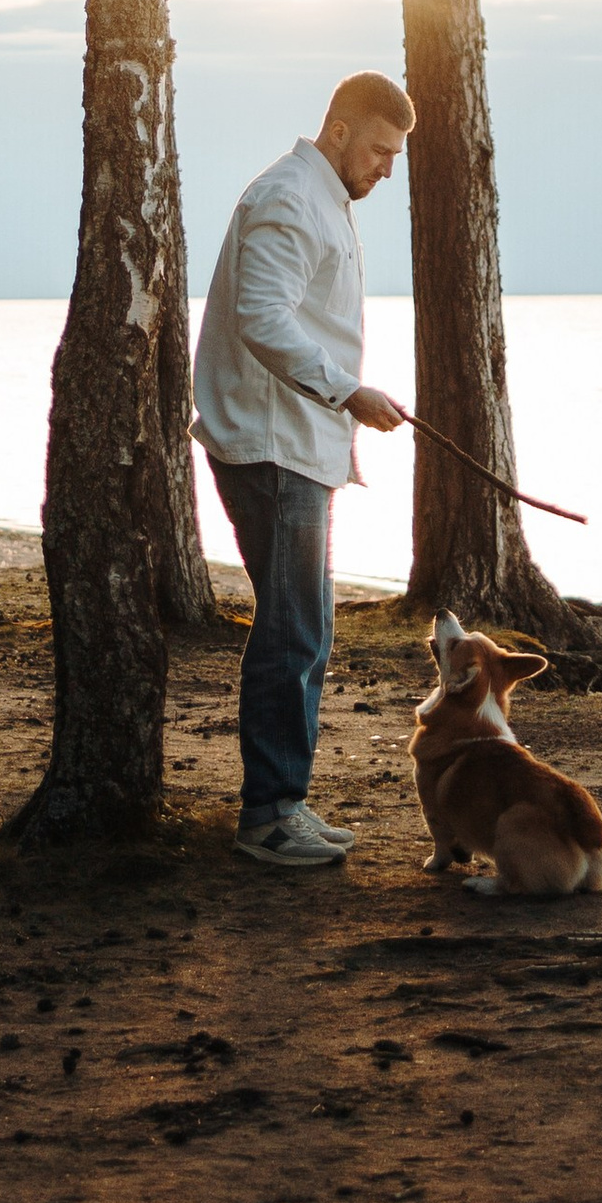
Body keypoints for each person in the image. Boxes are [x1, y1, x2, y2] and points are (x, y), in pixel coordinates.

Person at [192, 71, 414, 867]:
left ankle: (287, 798)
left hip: (300, 448)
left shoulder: (323, 200)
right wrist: (349, 389)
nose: (388, 169)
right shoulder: (290, 196)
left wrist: (347, 401)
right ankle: (268, 814)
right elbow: (261, 317)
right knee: (293, 632)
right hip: (272, 447)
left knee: (307, 629)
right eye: (383, 151)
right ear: (342, 129)